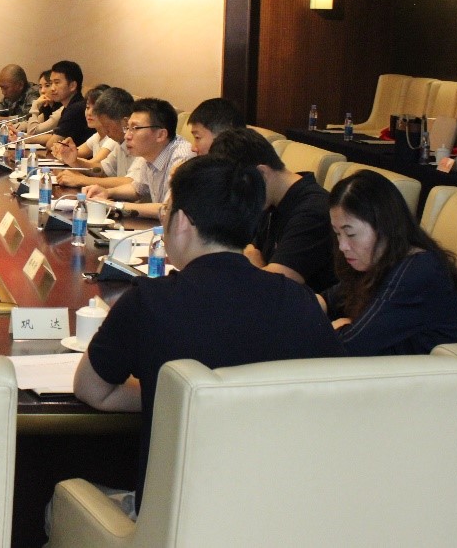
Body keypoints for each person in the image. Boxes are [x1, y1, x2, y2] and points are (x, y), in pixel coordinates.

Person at [59, 156, 344, 528]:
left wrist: (175, 393)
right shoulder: (301, 302)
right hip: (280, 518)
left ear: (181, 222)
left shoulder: (149, 301)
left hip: (173, 524)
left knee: (56, 501)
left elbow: (93, 391)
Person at [323, 169, 457, 355]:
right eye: (338, 234)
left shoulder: (418, 272)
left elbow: (347, 346)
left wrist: (338, 326)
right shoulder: (380, 258)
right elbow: (329, 299)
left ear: (385, 227)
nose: (342, 245)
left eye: (350, 234)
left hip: (443, 371)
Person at [209, 127, 337, 291]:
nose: (238, 198)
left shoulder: (314, 211)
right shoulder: (271, 201)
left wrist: (255, 263)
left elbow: (272, 288)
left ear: (262, 173)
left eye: (238, 188)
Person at [83, 97, 194, 219]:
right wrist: (107, 192)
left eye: (135, 128)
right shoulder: (149, 151)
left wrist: (115, 205)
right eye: (128, 128)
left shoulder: (183, 157)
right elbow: (137, 188)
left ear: (161, 135)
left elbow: (168, 208)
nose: (127, 136)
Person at [55, 87, 135, 189]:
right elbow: (102, 170)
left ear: (125, 122)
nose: (105, 130)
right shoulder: (120, 143)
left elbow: (132, 182)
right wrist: (74, 161)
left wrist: (82, 180)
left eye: (107, 126)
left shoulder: (141, 144)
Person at [26, 60, 91, 147]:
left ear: (72, 86)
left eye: (57, 83)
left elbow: (51, 144)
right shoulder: (69, 106)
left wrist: (28, 139)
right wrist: (26, 139)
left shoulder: (75, 109)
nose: (52, 88)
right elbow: (55, 136)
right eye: (51, 83)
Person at [51, 85, 114, 171]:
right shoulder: (97, 136)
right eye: (87, 107)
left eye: (96, 109)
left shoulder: (112, 139)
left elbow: (92, 165)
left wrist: (68, 158)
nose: (89, 113)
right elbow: (76, 154)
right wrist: (63, 150)